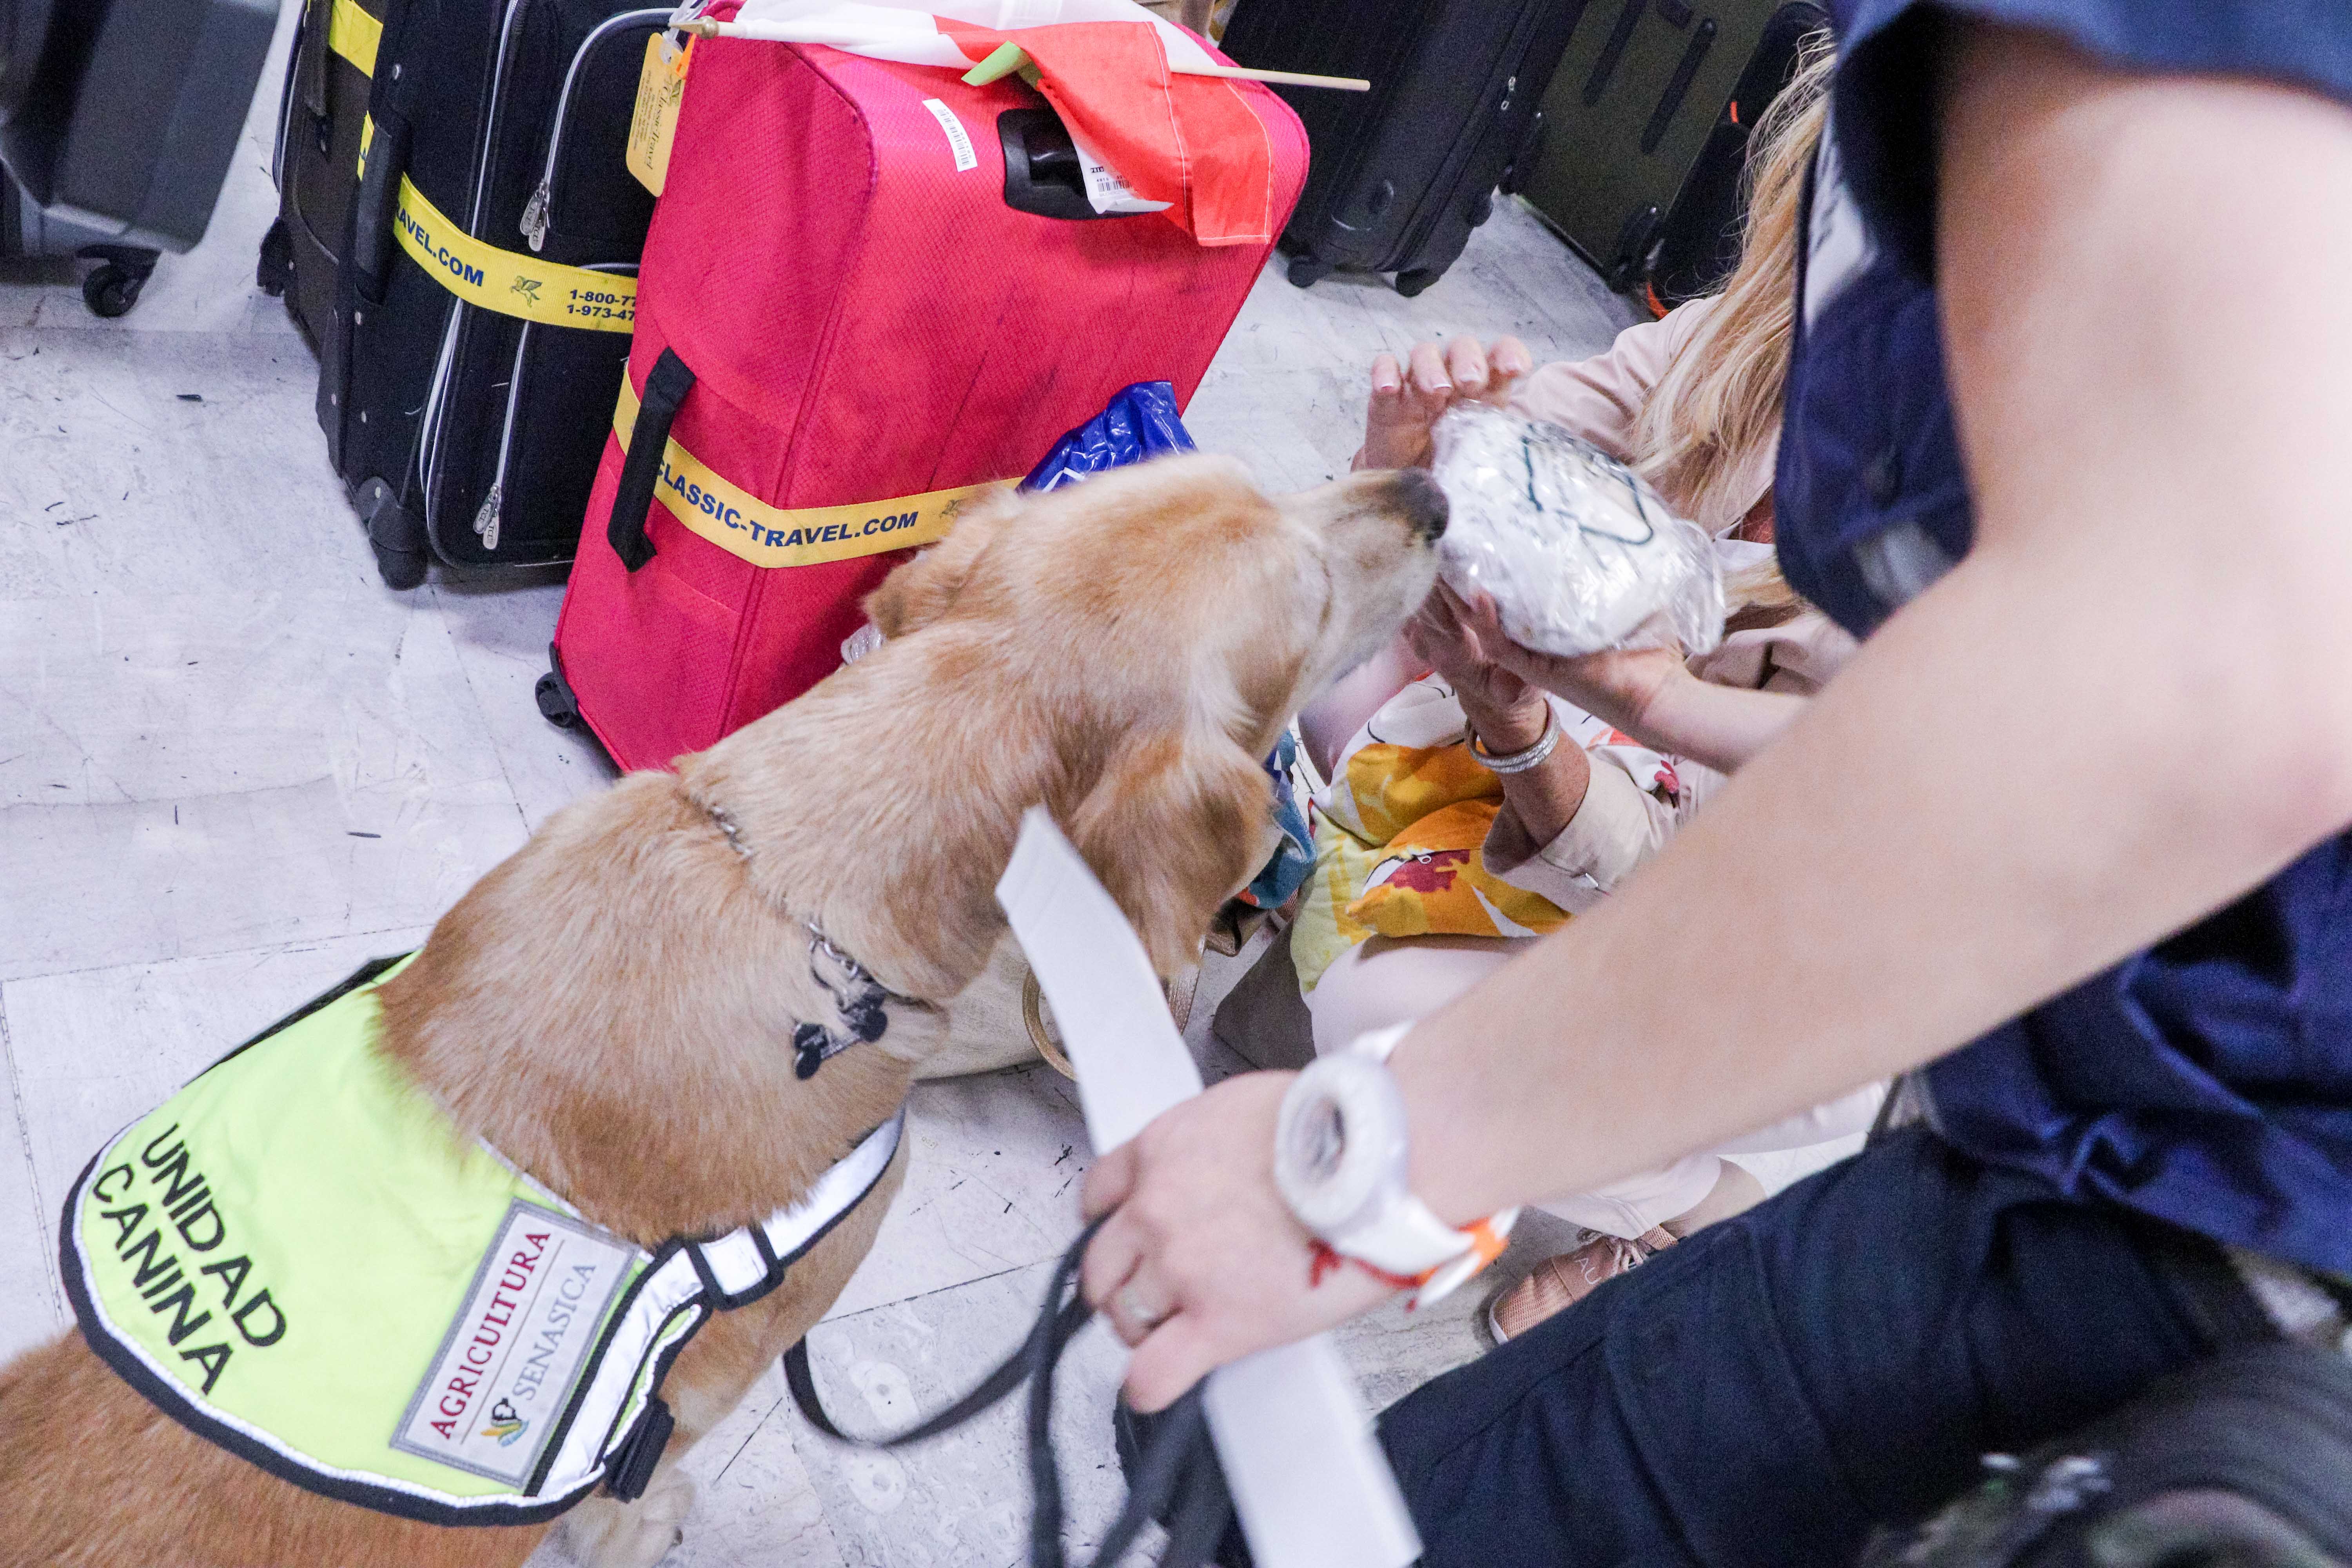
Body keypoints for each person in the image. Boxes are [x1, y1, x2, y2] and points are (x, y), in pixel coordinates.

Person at [1079, 4, 2352, 1561]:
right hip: (2084, 1139)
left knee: (1394, 1370)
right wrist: (1430, 454)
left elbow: (2200, 677)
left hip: (2167, 1172)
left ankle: (1662, 1190)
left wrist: (1389, 1152)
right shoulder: (1751, 348)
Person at [1290, 45, 1882, 1341]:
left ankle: (1688, 1208)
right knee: (1346, 691)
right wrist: (1418, 450)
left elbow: (1685, 880)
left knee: (1387, 1030)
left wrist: (1527, 730)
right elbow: (1534, 424)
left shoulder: (1976, 595)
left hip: (1779, 965)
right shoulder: (1764, 333)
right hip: (1620, 791)